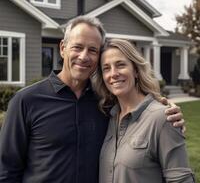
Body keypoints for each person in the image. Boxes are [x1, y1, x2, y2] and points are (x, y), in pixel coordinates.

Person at [0, 16, 185, 183]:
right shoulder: (26, 101)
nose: (84, 56)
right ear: (63, 49)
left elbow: (140, 110)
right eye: (78, 47)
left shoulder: (105, 103)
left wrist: (164, 109)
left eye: (93, 50)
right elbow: (7, 171)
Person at [93, 38, 195, 183]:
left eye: (120, 65)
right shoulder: (108, 117)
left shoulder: (163, 118)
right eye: (106, 68)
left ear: (135, 70)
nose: (113, 73)